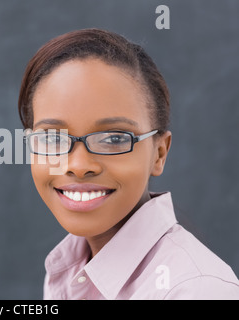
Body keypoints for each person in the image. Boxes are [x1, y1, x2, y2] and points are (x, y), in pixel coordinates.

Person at [18, 28, 239, 300]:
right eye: (52, 137)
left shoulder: (196, 290)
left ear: (159, 154)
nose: (78, 164)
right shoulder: (71, 269)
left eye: (113, 138)